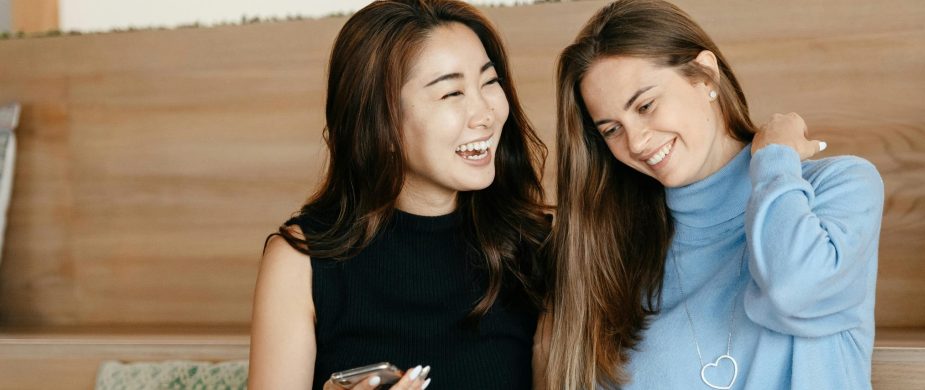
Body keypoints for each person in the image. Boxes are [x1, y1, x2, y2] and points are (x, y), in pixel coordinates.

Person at [541, 0, 884, 388]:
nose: (635, 142)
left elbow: (796, 293)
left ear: (705, 76)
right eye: (611, 130)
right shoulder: (619, 254)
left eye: (646, 105)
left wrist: (774, 160)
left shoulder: (838, 187)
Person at [249, 1, 550, 389]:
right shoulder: (300, 262)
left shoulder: (537, 249)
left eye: (490, 82)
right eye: (452, 93)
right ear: (380, 122)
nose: (486, 114)